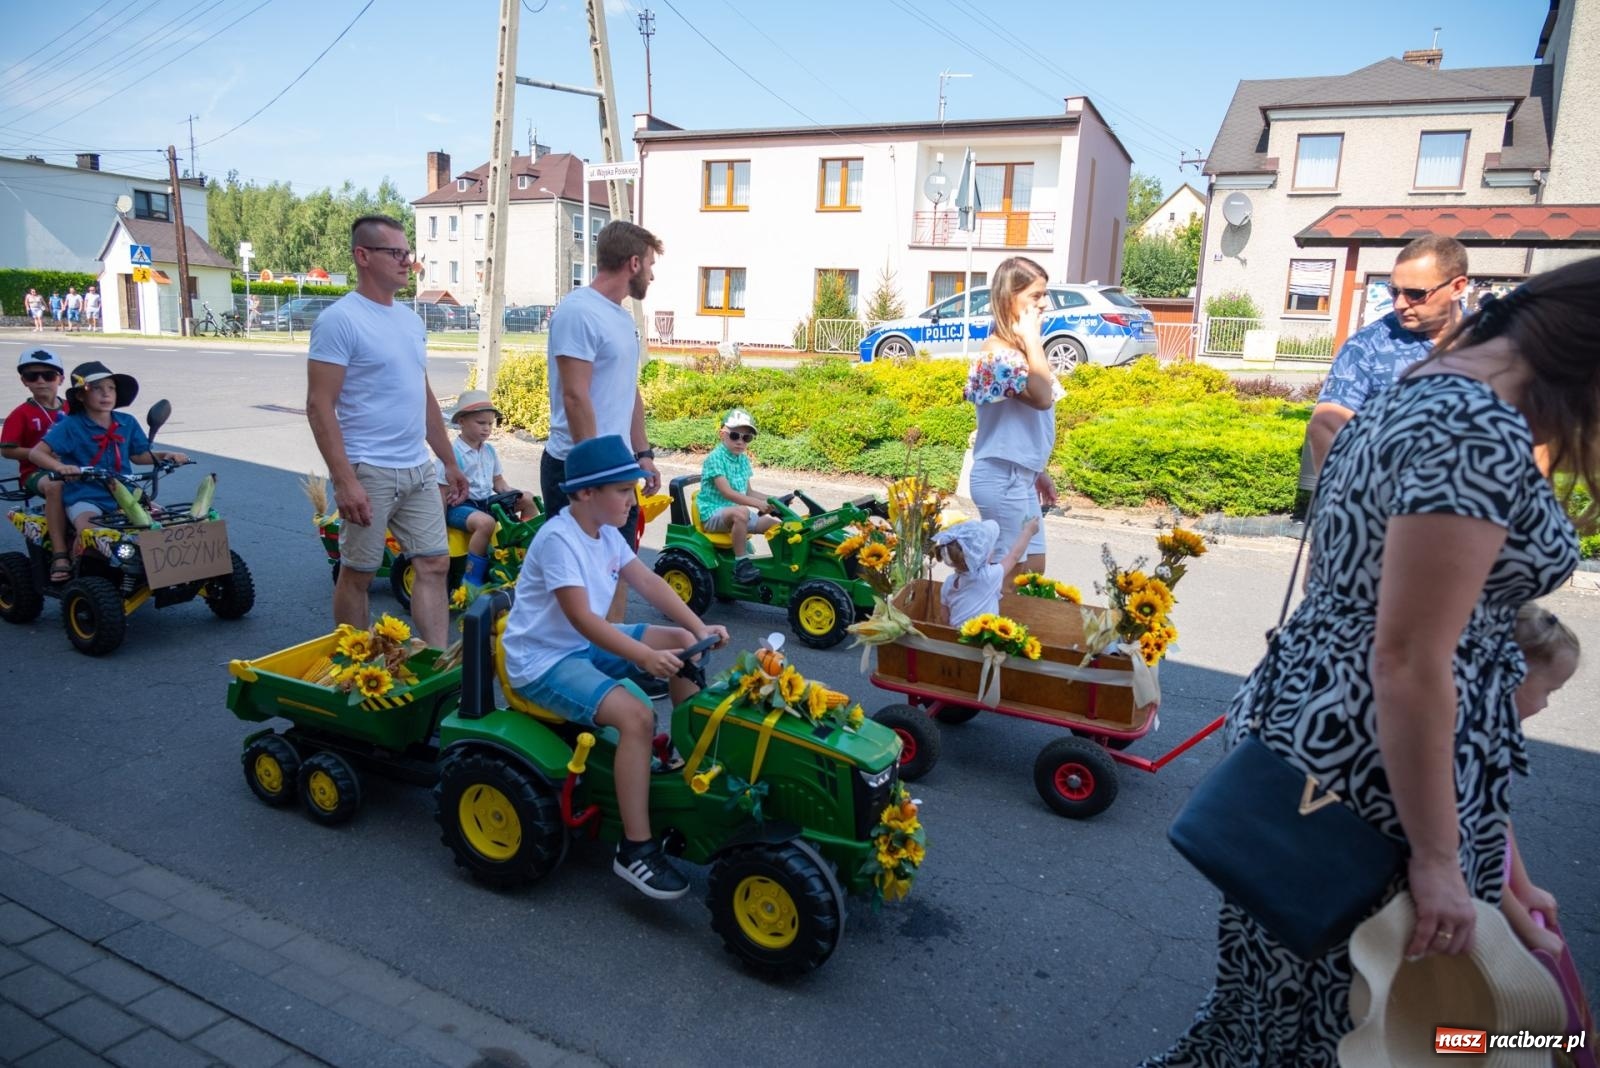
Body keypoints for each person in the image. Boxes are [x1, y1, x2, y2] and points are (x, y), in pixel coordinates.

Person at [1142, 257, 1597, 1068]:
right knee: (1369, 1027)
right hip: (1370, 781)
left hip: (1320, 743)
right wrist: (1439, 860)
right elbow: (1413, 659)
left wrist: (1501, 870)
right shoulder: (1477, 428)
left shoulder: (1419, 389)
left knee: (1278, 1010)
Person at [502, 435, 728, 900]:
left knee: (685, 642)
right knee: (637, 715)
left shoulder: (605, 533)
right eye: (625, 490)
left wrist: (697, 625)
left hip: (580, 645)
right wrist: (642, 657)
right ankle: (635, 849)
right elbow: (582, 620)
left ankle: (686, 761)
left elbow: (648, 581)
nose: (634, 499)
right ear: (586, 493)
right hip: (544, 660)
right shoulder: (559, 539)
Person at [307, 214, 469, 650]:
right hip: (368, 469)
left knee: (434, 563)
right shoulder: (340, 320)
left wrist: (449, 460)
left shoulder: (410, 321)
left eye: (407, 253)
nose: (406, 262)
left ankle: (435, 662)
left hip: (416, 467)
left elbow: (423, 395)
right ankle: (356, 666)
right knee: (358, 574)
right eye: (395, 253)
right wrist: (344, 480)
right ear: (363, 256)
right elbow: (319, 405)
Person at [543, 221, 663, 620]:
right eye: (648, 264)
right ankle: (574, 669)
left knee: (618, 570)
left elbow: (627, 391)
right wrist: (595, 474)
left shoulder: (621, 318)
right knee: (579, 581)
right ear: (632, 263)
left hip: (616, 466)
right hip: (578, 468)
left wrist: (641, 453)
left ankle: (611, 660)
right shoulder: (579, 312)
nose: (651, 273)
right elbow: (576, 396)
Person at [1305, 235, 1470, 482]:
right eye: (1394, 291)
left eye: (1415, 293)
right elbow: (1326, 425)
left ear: (1457, 287)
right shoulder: (1369, 345)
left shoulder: (1498, 343)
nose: (1400, 304)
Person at [963, 256, 1059, 577]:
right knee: (1004, 576)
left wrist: (1038, 470)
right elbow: (1043, 399)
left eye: (1045, 294)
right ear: (1008, 299)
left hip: (1020, 476)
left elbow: (1023, 421)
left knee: (1032, 568)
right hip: (1002, 478)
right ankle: (970, 622)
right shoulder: (996, 354)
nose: (1045, 304)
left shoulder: (1019, 350)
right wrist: (1033, 338)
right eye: (1036, 296)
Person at [28, 362, 189, 540]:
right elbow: (36, 453)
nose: (106, 393)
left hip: (126, 493)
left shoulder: (127, 422)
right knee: (90, 532)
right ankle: (65, 560)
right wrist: (61, 468)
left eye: (111, 388)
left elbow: (139, 455)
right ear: (81, 395)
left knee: (166, 526)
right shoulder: (71, 425)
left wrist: (167, 455)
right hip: (86, 495)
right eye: (97, 388)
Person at [1498, 603, 1578, 958]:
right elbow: (1469, 858)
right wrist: (1527, 928)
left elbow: (1498, 818)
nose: (1546, 705)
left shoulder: (1499, 738)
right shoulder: (1474, 749)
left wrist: (1524, 886)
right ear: (1512, 675)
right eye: (1548, 690)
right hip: (1477, 900)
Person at [439, 390, 538, 594]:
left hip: (485, 502)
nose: (487, 429)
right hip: (460, 507)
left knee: (529, 499)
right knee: (486, 523)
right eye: (481, 423)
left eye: (490, 424)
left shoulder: (489, 451)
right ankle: (472, 577)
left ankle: (522, 555)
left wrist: (513, 494)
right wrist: (439, 524)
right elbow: (441, 491)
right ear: (462, 421)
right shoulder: (452, 455)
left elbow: (498, 482)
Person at [1, 350, 71, 582]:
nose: (41, 381)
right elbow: (7, 449)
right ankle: (60, 553)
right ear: (24, 381)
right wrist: (40, 456)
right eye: (33, 376)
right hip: (37, 473)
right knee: (55, 487)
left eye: (48, 375)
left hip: (76, 468)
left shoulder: (74, 409)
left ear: (60, 379)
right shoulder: (21, 414)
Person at [697, 408, 778, 584]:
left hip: (736, 514)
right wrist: (757, 504)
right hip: (713, 513)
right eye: (735, 436)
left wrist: (773, 500)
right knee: (741, 512)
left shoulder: (742, 459)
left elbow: (748, 492)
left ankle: (783, 567)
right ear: (722, 434)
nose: (740, 442)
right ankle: (741, 563)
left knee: (776, 525)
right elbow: (728, 493)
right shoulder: (715, 458)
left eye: (746, 438)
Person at [932, 516, 1039, 628]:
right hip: (983, 639)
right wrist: (1028, 531)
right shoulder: (988, 576)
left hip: (957, 637)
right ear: (983, 555)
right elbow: (1014, 556)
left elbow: (944, 617)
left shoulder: (948, 583)